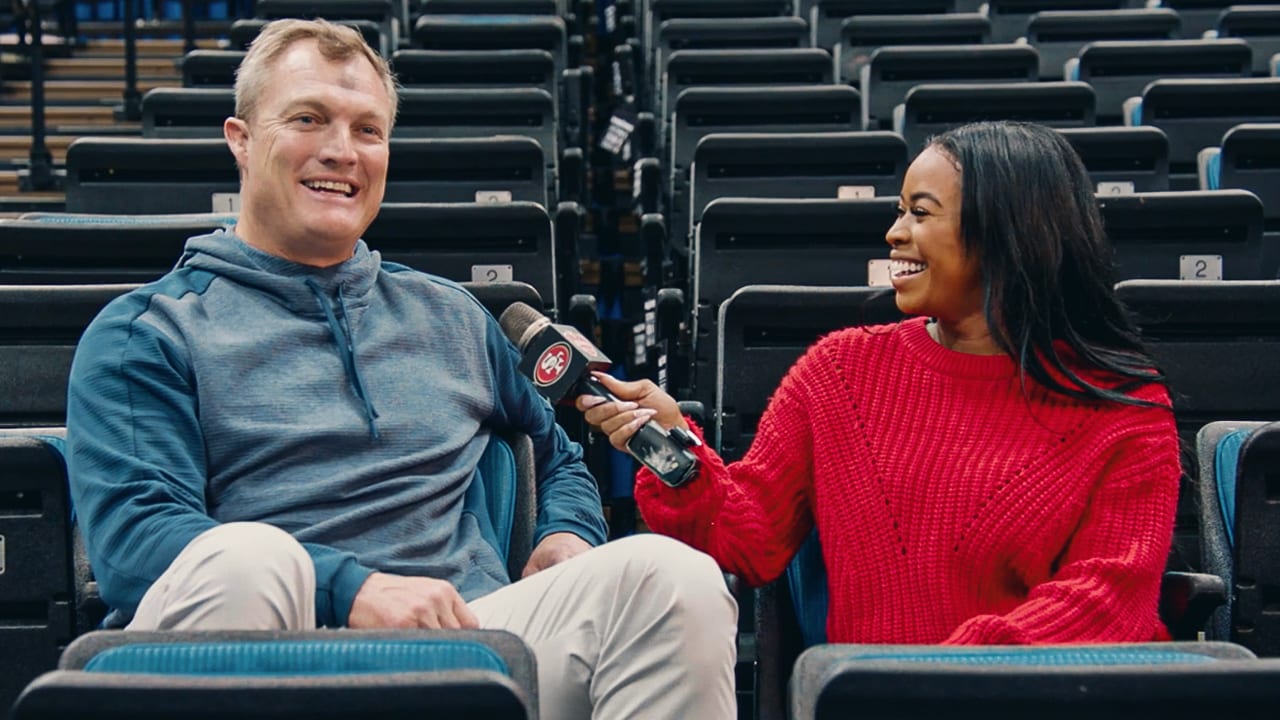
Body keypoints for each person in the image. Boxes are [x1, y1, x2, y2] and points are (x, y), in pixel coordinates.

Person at [65, 18, 736, 719]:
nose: (340, 151)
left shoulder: (453, 317)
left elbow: (557, 456)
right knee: (246, 559)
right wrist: (349, 589)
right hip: (266, 650)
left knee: (672, 578)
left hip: (464, 641)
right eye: (308, 118)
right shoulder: (145, 334)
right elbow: (137, 542)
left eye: (367, 130)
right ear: (240, 140)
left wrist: (564, 532)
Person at [583, 121, 1182, 645]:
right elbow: (749, 540)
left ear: (1009, 233)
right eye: (900, 210)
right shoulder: (839, 372)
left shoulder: (1124, 406)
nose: (894, 233)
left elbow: (1105, 603)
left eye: (920, 213)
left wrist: (934, 676)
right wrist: (667, 445)